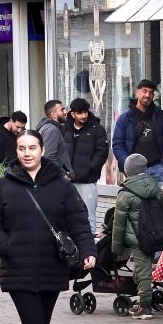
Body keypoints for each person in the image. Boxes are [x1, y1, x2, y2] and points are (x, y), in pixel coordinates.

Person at [0, 129, 96, 324]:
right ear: (16, 152)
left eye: (32, 148)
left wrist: (88, 250)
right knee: (33, 323)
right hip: (18, 268)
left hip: (52, 266)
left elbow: (78, 220)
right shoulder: (4, 185)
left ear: (42, 150)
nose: (27, 153)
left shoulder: (61, 185)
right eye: (22, 148)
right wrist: (7, 247)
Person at [112, 153, 161, 320]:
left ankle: (145, 307)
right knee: (143, 267)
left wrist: (116, 248)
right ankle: (143, 297)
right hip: (154, 236)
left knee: (142, 271)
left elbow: (118, 224)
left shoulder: (125, 193)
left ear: (128, 171)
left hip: (136, 239)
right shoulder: (156, 188)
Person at [63, 98, 109, 236]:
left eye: (85, 112)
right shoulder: (64, 128)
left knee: (89, 214)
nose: (84, 116)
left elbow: (102, 151)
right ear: (72, 114)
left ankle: (90, 245)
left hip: (88, 180)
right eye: (79, 113)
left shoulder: (96, 129)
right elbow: (60, 151)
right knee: (68, 213)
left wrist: (90, 168)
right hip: (67, 179)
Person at [112, 80, 163, 184]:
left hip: (157, 168)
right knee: (137, 200)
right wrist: (128, 164)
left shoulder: (160, 116)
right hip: (135, 171)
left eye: (151, 92)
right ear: (137, 93)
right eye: (144, 91)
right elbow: (118, 145)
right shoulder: (125, 118)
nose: (147, 95)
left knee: (160, 199)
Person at [35, 101, 73, 178]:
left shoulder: (48, 127)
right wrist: (63, 174)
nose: (66, 112)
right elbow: (48, 157)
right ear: (53, 114)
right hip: (54, 178)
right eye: (62, 110)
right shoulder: (51, 130)